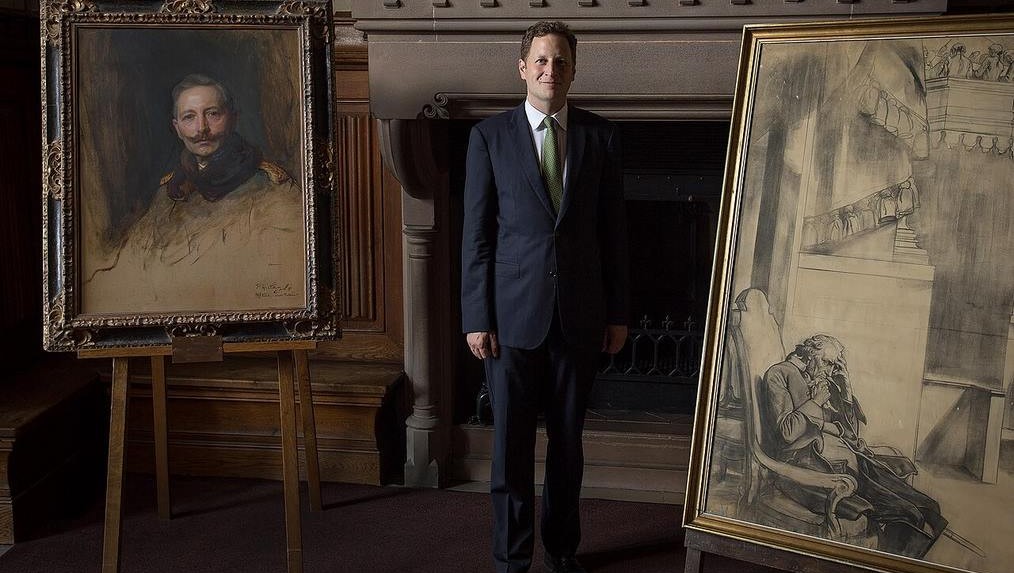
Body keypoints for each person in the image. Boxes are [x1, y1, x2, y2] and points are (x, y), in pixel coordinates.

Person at [460, 21, 629, 573]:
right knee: (510, 448)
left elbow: (613, 233)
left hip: (579, 315)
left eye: (560, 61)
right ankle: (512, 558)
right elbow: (476, 236)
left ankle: (561, 550)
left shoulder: (601, 137)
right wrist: (476, 316)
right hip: (509, 319)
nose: (550, 70)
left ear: (573, 70)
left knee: (567, 444)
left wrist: (618, 313)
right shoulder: (489, 138)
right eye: (540, 60)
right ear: (522, 68)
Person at [84, 74, 305, 314]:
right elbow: (131, 265)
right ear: (177, 128)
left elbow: (285, 280)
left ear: (233, 119)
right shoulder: (169, 193)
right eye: (189, 117)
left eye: (213, 114)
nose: (202, 129)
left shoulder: (273, 190)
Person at [759, 334, 947, 559]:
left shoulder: (817, 379)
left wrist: (846, 389)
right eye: (827, 362)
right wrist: (816, 402)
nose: (830, 371)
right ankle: (891, 563)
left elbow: (849, 431)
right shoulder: (779, 373)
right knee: (909, 514)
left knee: (927, 506)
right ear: (809, 355)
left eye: (834, 365)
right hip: (814, 469)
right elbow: (787, 432)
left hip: (846, 462)